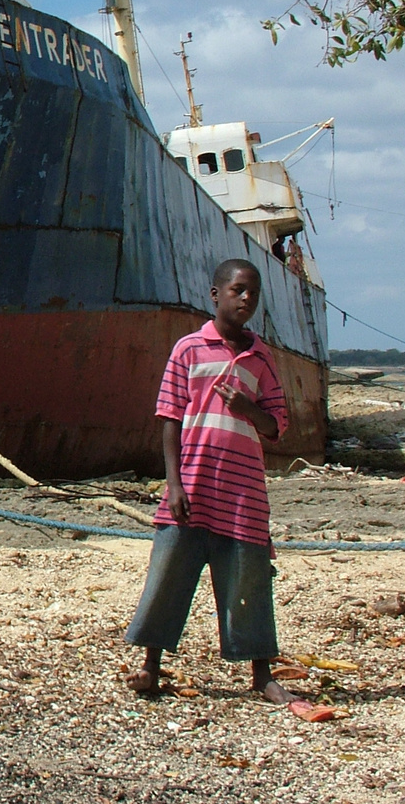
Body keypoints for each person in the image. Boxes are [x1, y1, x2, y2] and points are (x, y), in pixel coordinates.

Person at [124, 258, 294, 703]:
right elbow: (170, 418)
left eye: (254, 292)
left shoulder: (261, 358)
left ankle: (261, 674)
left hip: (243, 492)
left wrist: (247, 408)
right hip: (193, 485)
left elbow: (276, 424)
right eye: (238, 290)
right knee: (169, 571)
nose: (247, 299)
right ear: (216, 294)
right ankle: (151, 666)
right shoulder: (188, 350)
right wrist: (173, 484)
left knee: (248, 577)